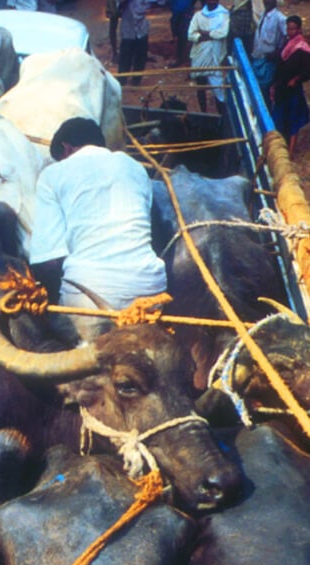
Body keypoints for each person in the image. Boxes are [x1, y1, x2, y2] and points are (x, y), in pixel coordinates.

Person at [29, 117, 167, 341]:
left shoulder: (52, 175)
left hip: (89, 293)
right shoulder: (135, 167)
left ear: (66, 148)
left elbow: (49, 262)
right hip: (151, 290)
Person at [271, 15, 310, 156]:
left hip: (293, 89)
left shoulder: (303, 48)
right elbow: (280, 66)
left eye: (293, 29)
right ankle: (280, 148)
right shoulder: (286, 45)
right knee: (280, 117)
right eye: (288, 28)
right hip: (282, 87)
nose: (290, 31)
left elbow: (307, 71)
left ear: (299, 29)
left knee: (293, 119)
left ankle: (291, 151)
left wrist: (296, 80)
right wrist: (274, 84)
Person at [188, 0, 230, 113]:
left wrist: (204, 33)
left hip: (216, 57)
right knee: (201, 86)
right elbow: (190, 34)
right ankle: (203, 113)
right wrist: (211, 34)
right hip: (199, 56)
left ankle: (222, 117)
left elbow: (223, 33)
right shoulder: (198, 15)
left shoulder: (224, 15)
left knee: (219, 90)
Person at [251, 0, 286, 108]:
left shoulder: (280, 18)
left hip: (269, 60)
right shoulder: (263, 15)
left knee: (267, 90)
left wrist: (278, 52)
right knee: (258, 89)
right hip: (258, 57)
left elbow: (287, 37)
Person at [117, 0, 150, 86]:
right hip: (128, 28)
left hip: (142, 28)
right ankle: (122, 80)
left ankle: (136, 80)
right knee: (125, 56)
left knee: (141, 56)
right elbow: (118, 5)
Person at [169, 0, 195, 66]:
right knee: (177, 33)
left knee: (185, 33)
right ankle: (179, 57)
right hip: (176, 10)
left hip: (186, 10)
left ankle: (183, 58)